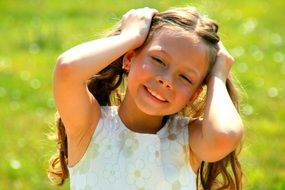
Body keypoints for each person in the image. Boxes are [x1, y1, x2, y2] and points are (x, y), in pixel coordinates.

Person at [48, 6, 244, 190]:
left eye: (185, 77)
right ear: (129, 58)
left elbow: (224, 135)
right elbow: (67, 69)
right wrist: (130, 36)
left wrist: (218, 76)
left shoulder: (188, 139)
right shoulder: (89, 125)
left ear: (194, 95)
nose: (166, 80)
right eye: (158, 60)